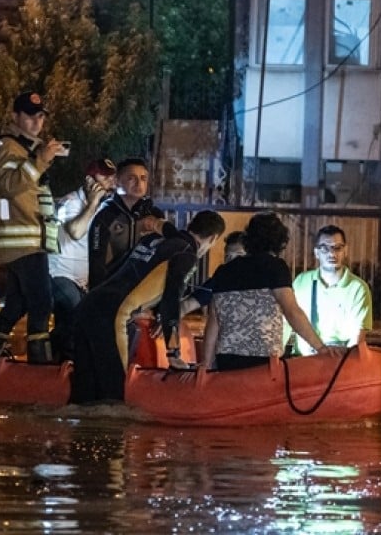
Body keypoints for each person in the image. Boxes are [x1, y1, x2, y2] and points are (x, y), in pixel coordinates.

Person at [70, 210, 225, 404]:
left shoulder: (153, 239)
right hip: (112, 316)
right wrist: (173, 352)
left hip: (88, 306)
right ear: (213, 238)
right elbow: (171, 300)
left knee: (84, 392)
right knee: (113, 395)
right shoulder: (186, 254)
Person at [0, 91, 67, 364]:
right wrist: (41, 160)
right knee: (41, 302)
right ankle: (40, 364)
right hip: (21, 240)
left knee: (17, 303)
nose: (37, 122)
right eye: (30, 116)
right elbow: (6, 185)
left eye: (41, 117)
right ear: (15, 117)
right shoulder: (7, 147)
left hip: (25, 239)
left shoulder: (23, 148)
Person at [199, 212, 339, 371]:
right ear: (280, 242)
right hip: (264, 361)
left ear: (248, 240)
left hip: (227, 359)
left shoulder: (223, 271)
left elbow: (214, 322)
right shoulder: (275, 267)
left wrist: (207, 363)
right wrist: (320, 347)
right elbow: (292, 312)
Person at [47, 157, 118, 360]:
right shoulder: (72, 202)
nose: (110, 184)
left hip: (83, 280)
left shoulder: (103, 208)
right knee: (78, 311)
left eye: (112, 179)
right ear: (89, 181)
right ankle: (63, 358)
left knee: (77, 319)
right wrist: (93, 203)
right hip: (60, 275)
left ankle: (57, 358)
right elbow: (75, 232)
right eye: (104, 178)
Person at [286, 225, 373, 354]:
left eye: (337, 248)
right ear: (316, 252)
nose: (332, 253)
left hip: (339, 361)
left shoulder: (358, 288)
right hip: (303, 361)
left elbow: (357, 339)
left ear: (345, 250)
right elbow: (287, 320)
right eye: (325, 248)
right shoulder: (301, 282)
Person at [87, 157, 154, 289]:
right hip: (112, 292)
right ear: (117, 181)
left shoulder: (154, 215)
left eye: (143, 178)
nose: (139, 183)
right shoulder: (105, 217)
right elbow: (97, 267)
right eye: (132, 178)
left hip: (143, 294)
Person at [180, 229, 247, 318]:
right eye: (228, 257)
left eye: (239, 256)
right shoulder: (221, 278)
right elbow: (186, 305)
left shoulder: (263, 280)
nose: (233, 262)